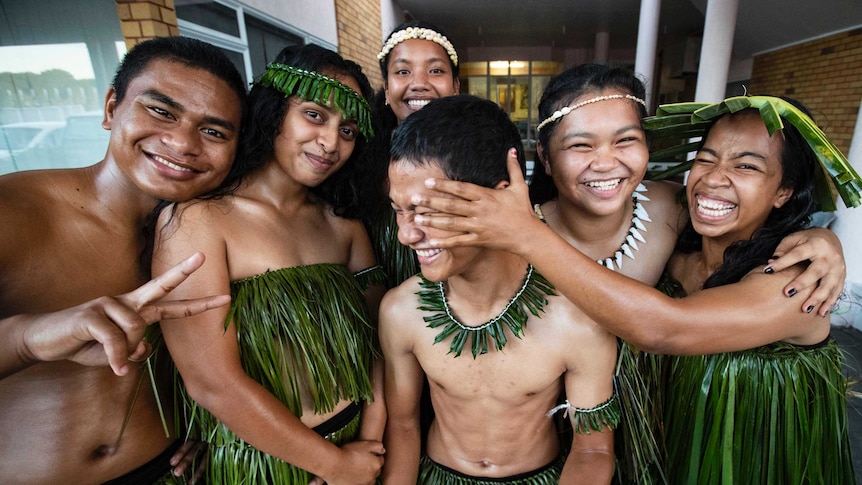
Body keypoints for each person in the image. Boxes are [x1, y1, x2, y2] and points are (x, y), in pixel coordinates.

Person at [410, 95, 858, 483]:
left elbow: (664, 328)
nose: (715, 178)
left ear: (784, 192)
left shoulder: (797, 281)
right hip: (660, 453)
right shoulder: (675, 245)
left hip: (752, 460)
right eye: (706, 158)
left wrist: (526, 233)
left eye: (746, 166)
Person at [0, 36, 246, 484]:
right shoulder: (13, 211)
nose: (182, 142)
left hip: (173, 469)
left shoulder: (212, 233)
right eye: (161, 111)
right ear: (113, 107)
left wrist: (211, 430)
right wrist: (26, 339)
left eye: (213, 131)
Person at [151, 44, 386, 484]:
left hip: (356, 451)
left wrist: (366, 450)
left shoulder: (344, 225)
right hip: (258, 462)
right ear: (273, 111)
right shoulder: (198, 221)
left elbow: (379, 344)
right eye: (314, 115)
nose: (331, 142)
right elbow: (212, 382)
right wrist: (333, 467)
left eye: (349, 130)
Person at [381, 94, 618, 484]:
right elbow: (404, 426)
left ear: (501, 194)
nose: (407, 234)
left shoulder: (577, 318)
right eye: (399, 210)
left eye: (430, 210)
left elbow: (592, 449)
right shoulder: (400, 312)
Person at [357, 20, 461, 289]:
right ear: (387, 89)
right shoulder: (359, 159)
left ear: (456, 86)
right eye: (403, 71)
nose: (419, 84)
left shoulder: (479, 153)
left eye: (435, 70)